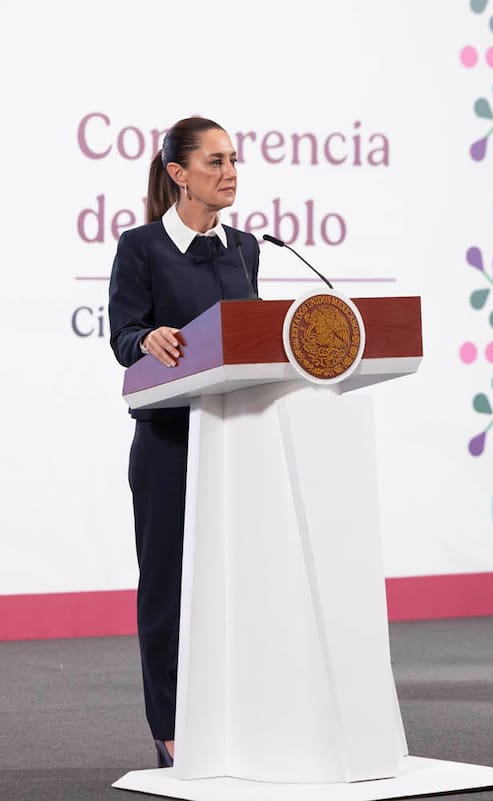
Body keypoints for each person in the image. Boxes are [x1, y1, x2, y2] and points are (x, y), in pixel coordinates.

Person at [108, 116, 260, 766]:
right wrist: (147, 340)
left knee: (237, 586)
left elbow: (254, 341)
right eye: (215, 161)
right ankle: (169, 728)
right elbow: (122, 336)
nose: (230, 172)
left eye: (233, 160)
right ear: (178, 174)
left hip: (236, 442)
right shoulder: (140, 246)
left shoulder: (248, 247)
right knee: (167, 587)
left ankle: (238, 717)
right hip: (170, 443)